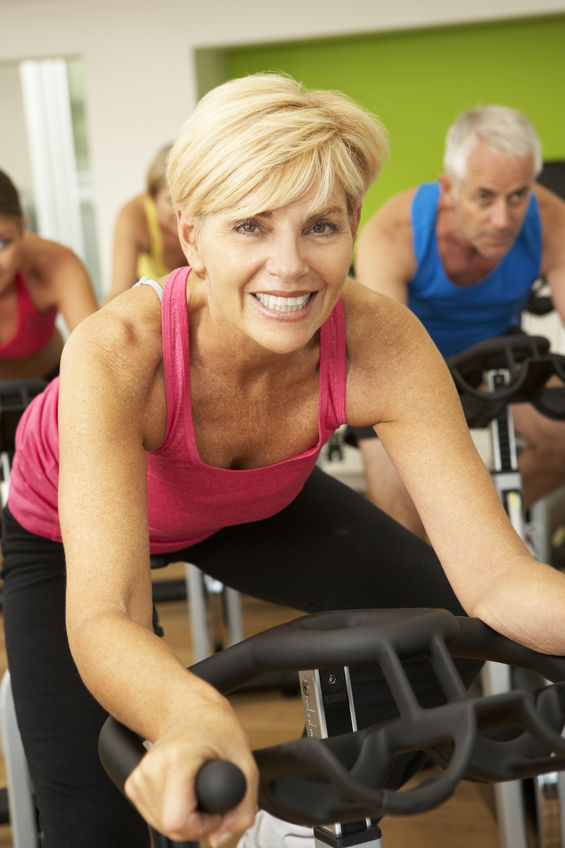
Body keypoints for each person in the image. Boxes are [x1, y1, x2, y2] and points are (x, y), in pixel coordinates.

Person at [2, 74, 565, 848]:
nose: (289, 266)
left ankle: (297, 820)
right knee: (96, 824)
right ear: (191, 234)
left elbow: (498, 581)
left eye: (320, 228)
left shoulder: (381, 341)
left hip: (250, 503)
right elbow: (111, 615)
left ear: (352, 225)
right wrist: (194, 712)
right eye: (250, 227)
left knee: (427, 619)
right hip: (62, 536)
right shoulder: (120, 351)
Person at [353, 105, 565, 537]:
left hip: (494, 352)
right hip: (396, 366)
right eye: (485, 196)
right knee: (404, 524)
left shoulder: (551, 220)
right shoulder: (395, 233)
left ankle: (479, 538)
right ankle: (441, 551)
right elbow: (387, 358)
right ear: (449, 188)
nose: (503, 220)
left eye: (518, 195)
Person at [0, 168, 98, 381]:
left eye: (3, 242)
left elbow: (99, 352)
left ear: (21, 230)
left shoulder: (54, 263)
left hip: (47, 386)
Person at [108, 143, 186, 299]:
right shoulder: (132, 219)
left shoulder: (207, 212)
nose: (183, 212)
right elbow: (118, 294)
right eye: (171, 201)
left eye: (189, 200)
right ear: (152, 196)